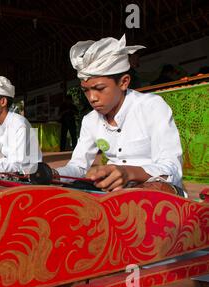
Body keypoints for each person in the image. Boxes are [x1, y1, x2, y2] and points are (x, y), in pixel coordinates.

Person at [54, 34, 184, 194]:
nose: (92, 98)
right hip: (113, 190)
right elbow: (77, 167)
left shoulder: (151, 107)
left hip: (152, 187)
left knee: (158, 190)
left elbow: (171, 167)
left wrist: (129, 173)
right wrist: (54, 173)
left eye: (100, 89)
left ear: (124, 82)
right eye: (86, 90)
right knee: (70, 194)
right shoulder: (90, 120)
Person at [0, 73, 42, 174]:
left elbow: (17, 164)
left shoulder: (19, 124)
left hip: (30, 176)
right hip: (10, 172)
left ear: (3, 102)